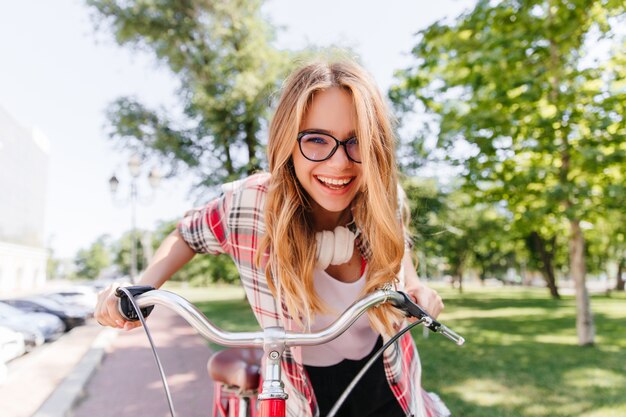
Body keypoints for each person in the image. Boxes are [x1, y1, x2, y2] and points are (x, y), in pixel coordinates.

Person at [96, 59, 449, 417]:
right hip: (300, 391)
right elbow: (187, 235)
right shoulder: (249, 204)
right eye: (315, 139)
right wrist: (139, 289)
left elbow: (396, 243)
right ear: (288, 143)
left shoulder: (383, 196)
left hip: (389, 378)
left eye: (357, 142)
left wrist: (417, 288)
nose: (339, 163)